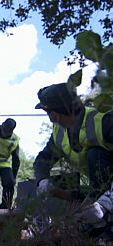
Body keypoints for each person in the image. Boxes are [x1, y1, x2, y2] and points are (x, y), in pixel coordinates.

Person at [33, 82, 113, 227]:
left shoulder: (105, 122)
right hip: (100, 190)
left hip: (109, 193)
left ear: (54, 115)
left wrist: (107, 202)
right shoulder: (59, 133)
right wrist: (43, 181)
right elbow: (42, 160)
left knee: (96, 155)